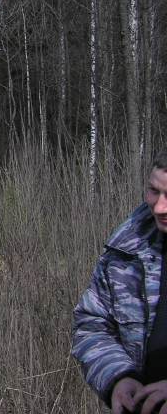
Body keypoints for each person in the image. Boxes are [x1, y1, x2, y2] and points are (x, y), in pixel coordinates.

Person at [72, 151, 167, 414]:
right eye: (154, 191)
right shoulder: (126, 250)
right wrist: (118, 378)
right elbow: (92, 323)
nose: (160, 207)